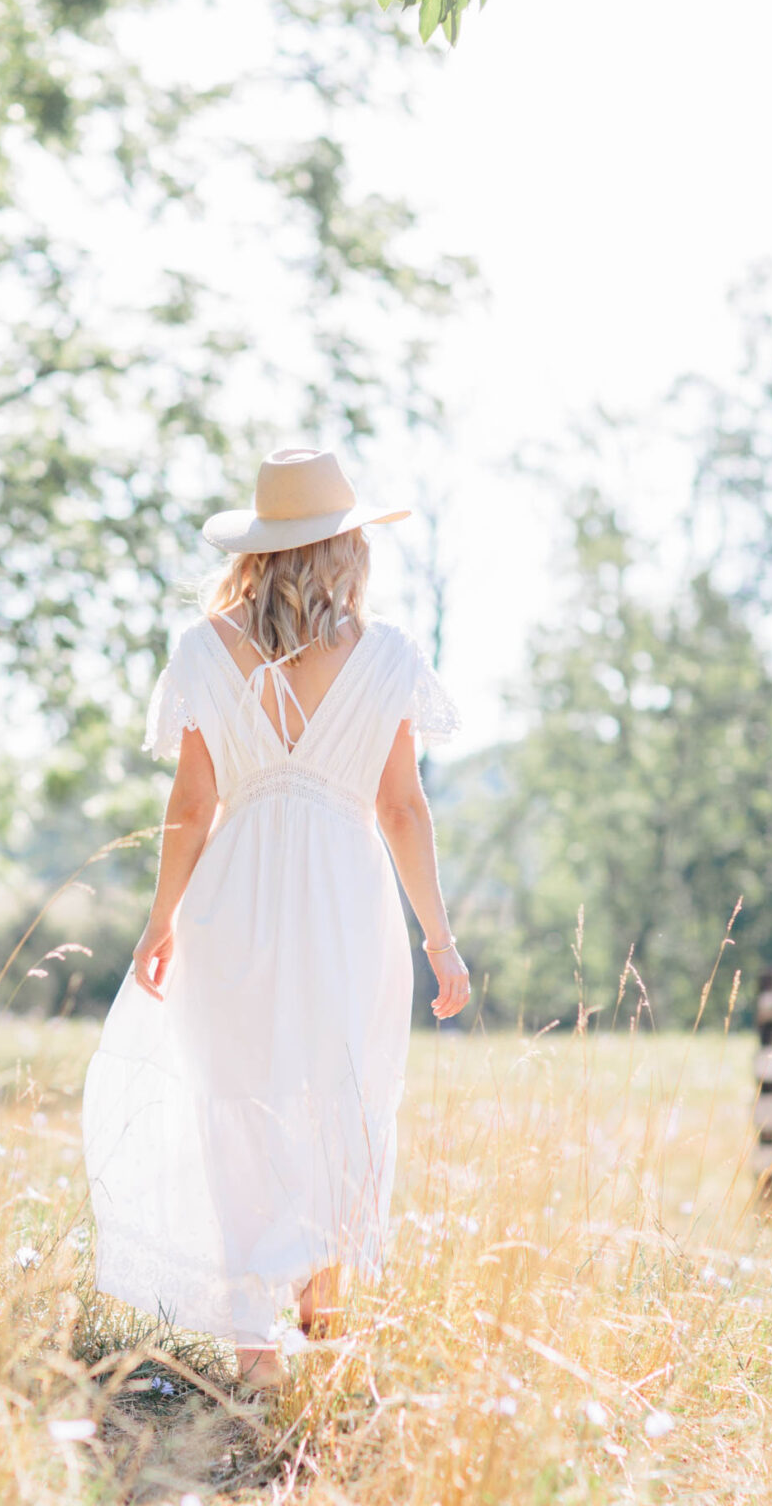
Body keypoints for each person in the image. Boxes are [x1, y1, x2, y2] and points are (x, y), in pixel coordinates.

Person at [81, 447, 470, 1390]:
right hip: (346, 897)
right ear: (346, 549)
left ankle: (257, 1349)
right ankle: (320, 1321)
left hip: (234, 899)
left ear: (260, 549)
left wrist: (161, 919)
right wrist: (439, 937)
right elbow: (403, 809)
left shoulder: (202, 647)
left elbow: (191, 806)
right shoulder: (388, 657)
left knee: (241, 1101)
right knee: (343, 1093)